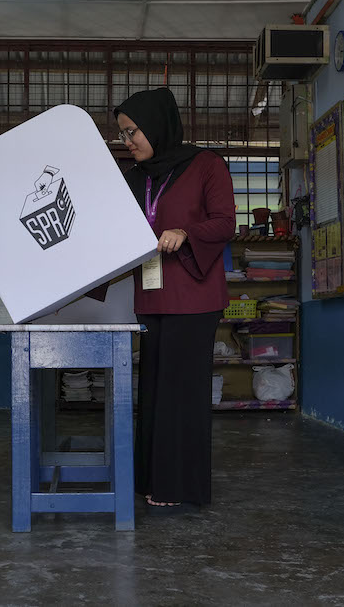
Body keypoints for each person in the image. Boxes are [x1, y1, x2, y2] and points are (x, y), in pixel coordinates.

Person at [113, 87, 235, 511]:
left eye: (132, 132)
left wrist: (186, 232)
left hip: (194, 296)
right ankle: (152, 479)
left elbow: (224, 222)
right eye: (123, 135)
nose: (128, 142)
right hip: (151, 297)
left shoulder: (206, 166)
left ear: (157, 125)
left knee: (182, 393)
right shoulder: (133, 178)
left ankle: (179, 486)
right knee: (153, 393)